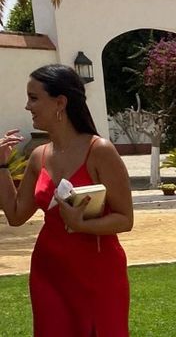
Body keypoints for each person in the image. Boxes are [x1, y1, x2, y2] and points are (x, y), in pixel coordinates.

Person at [0, 64, 134, 336]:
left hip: (97, 273)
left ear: (60, 102)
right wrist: (1, 167)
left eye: (34, 97)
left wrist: (82, 224)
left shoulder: (100, 151)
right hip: (48, 272)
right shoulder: (38, 155)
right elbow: (15, 216)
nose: (27, 106)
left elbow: (125, 219)